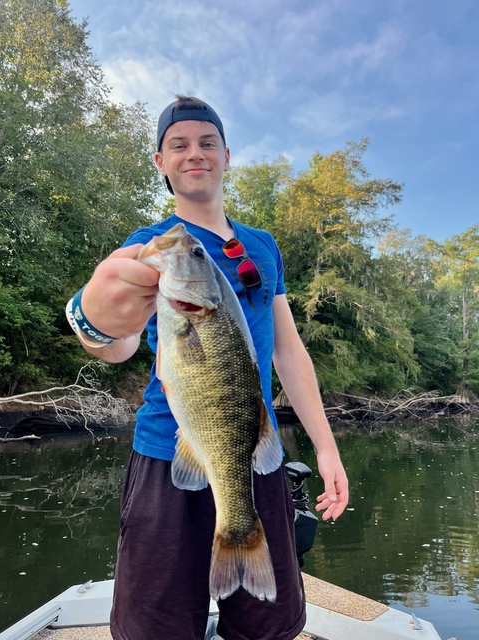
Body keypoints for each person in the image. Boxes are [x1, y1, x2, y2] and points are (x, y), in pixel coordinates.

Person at [66, 95, 349, 640]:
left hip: (252, 452)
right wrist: (95, 323)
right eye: (179, 144)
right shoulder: (146, 247)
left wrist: (327, 446)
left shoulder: (263, 246)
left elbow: (287, 352)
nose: (194, 153)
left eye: (206, 142)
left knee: (267, 626)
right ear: (161, 162)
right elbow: (121, 347)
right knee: (155, 626)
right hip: (162, 450)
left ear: (225, 154)